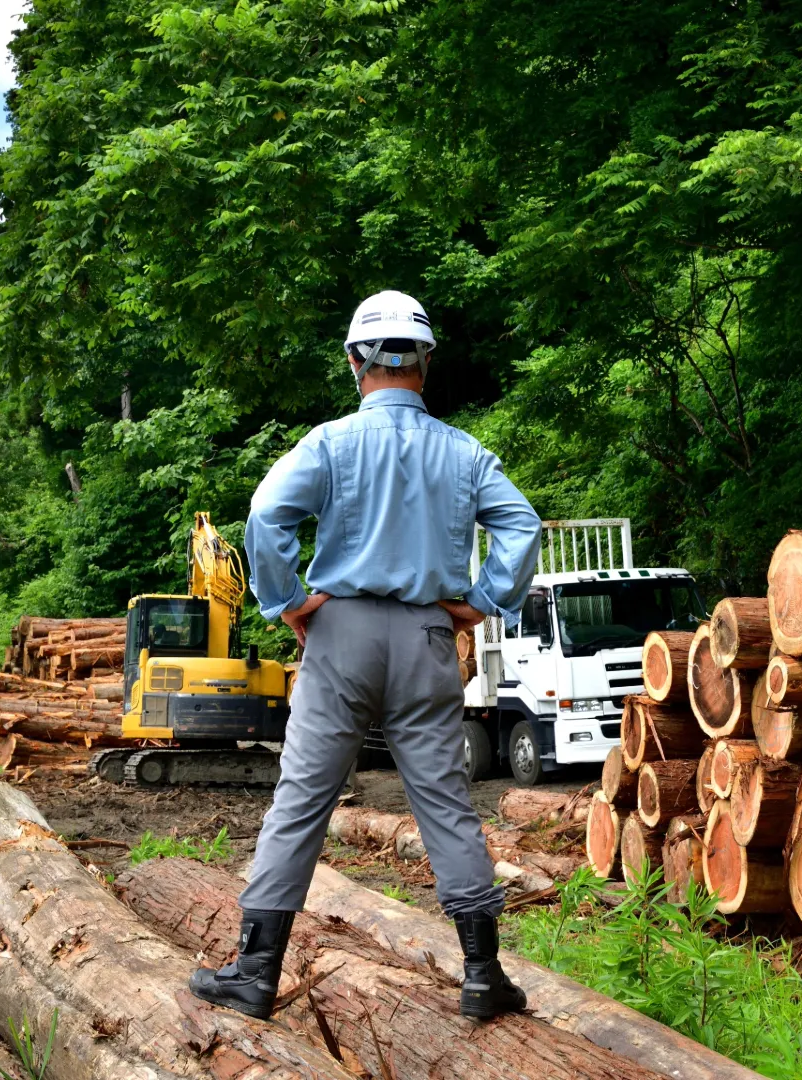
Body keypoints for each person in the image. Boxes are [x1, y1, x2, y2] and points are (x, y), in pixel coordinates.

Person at [189, 290, 542, 1021]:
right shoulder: (465, 453)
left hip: (339, 634)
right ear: (426, 363)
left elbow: (265, 515)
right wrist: (478, 601)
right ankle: (482, 975)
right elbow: (522, 526)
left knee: (302, 799)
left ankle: (256, 972)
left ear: (355, 361)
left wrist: (289, 602)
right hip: (425, 637)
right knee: (445, 802)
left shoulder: (330, 443)